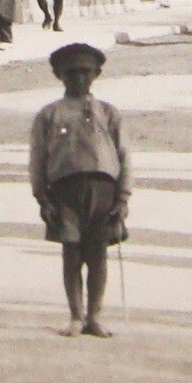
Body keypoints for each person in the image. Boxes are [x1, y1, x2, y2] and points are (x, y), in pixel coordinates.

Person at [30, 41, 131, 338]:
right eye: (71, 72)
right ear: (58, 75)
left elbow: (124, 155)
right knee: (71, 253)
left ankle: (95, 316)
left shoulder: (109, 113)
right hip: (65, 192)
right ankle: (75, 316)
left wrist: (123, 197)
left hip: (103, 191)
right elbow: (38, 158)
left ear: (97, 74)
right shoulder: (49, 115)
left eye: (86, 72)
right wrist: (42, 197)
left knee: (98, 254)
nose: (79, 78)